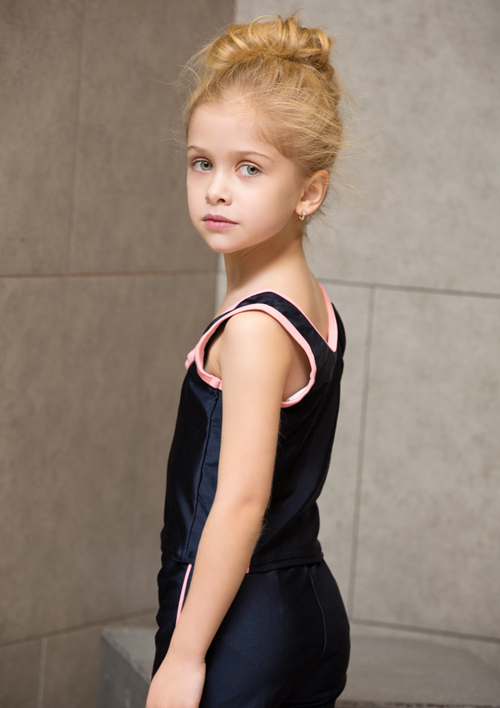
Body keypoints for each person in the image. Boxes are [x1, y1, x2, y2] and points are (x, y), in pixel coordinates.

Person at [147, 12, 351, 708]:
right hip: (302, 603)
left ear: (309, 192)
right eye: (202, 162)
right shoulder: (309, 302)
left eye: (249, 168)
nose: (217, 189)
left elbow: (240, 502)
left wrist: (184, 657)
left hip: (242, 626)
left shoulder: (255, 328)